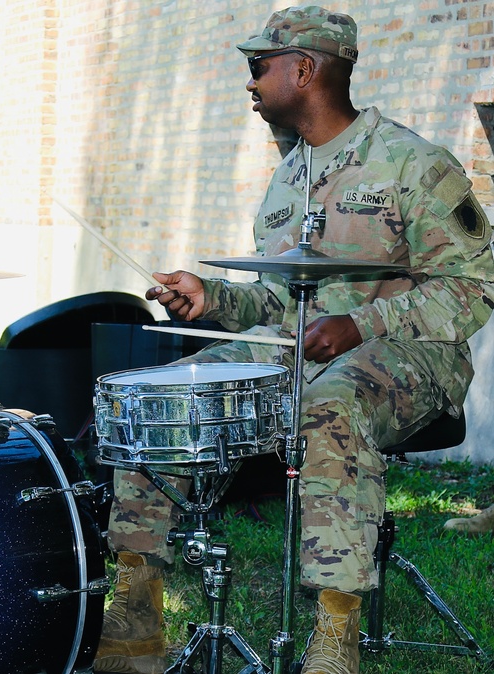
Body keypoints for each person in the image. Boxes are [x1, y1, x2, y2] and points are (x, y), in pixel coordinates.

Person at [96, 7, 494, 674]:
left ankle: (335, 632)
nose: (250, 85)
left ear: (305, 70)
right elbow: (282, 301)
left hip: (411, 352)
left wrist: (361, 324)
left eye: (259, 69)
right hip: (296, 348)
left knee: (328, 408)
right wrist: (211, 297)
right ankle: (136, 611)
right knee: (160, 397)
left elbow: (476, 286)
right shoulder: (288, 175)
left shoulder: (413, 163)